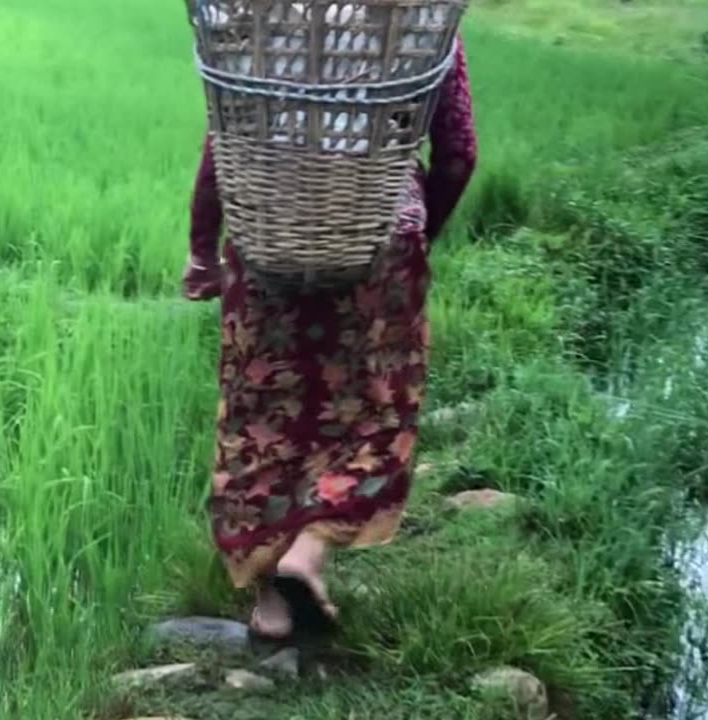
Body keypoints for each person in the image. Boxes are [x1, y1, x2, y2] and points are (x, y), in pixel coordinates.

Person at [180, 37, 477, 640]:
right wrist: (416, 228)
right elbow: (458, 152)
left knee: (262, 416)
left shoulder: (265, 19)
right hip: (381, 236)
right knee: (371, 411)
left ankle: (271, 603)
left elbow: (226, 134)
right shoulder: (417, 21)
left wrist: (201, 246)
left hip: (269, 225)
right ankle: (309, 551)